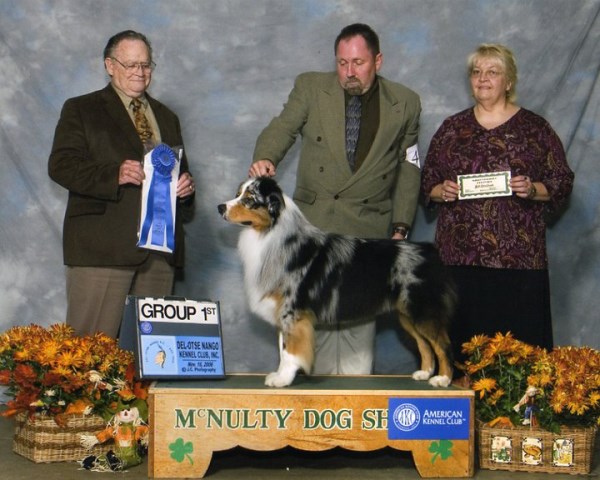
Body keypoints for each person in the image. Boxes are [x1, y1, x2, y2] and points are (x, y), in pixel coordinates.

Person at [249, 23, 422, 375]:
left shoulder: (405, 102)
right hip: (314, 228)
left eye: (358, 63)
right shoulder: (311, 87)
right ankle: (312, 410)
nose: (349, 72)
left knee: (360, 328)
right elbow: (283, 126)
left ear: (378, 60)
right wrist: (267, 156)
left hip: (367, 227)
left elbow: (409, 165)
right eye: (342, 63)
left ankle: (354, 417)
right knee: (309, 320)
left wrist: (401, 224)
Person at [421, 44, 574, 364]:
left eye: (492, 72)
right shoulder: (451, 128)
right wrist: (442, 190)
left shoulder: (536, 128)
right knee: (461, 355)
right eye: (476, 72)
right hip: (458, 261)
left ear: (509, 81)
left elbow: (562, 182)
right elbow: (427, 182)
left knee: (522, 359)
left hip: (519, 262)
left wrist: (533, 189)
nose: (482, 78)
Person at [48, 30, 195, 338]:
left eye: (145, 64)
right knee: (90, 355)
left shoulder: (167, 117)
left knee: (150, 357)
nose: (139, 72)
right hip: (102, 249)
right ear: (109, 65)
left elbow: (179, 173)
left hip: (159, 253)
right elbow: (61, 166)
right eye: (129, 64)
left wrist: (185, 190)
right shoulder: (81, 109)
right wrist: (113, 174)